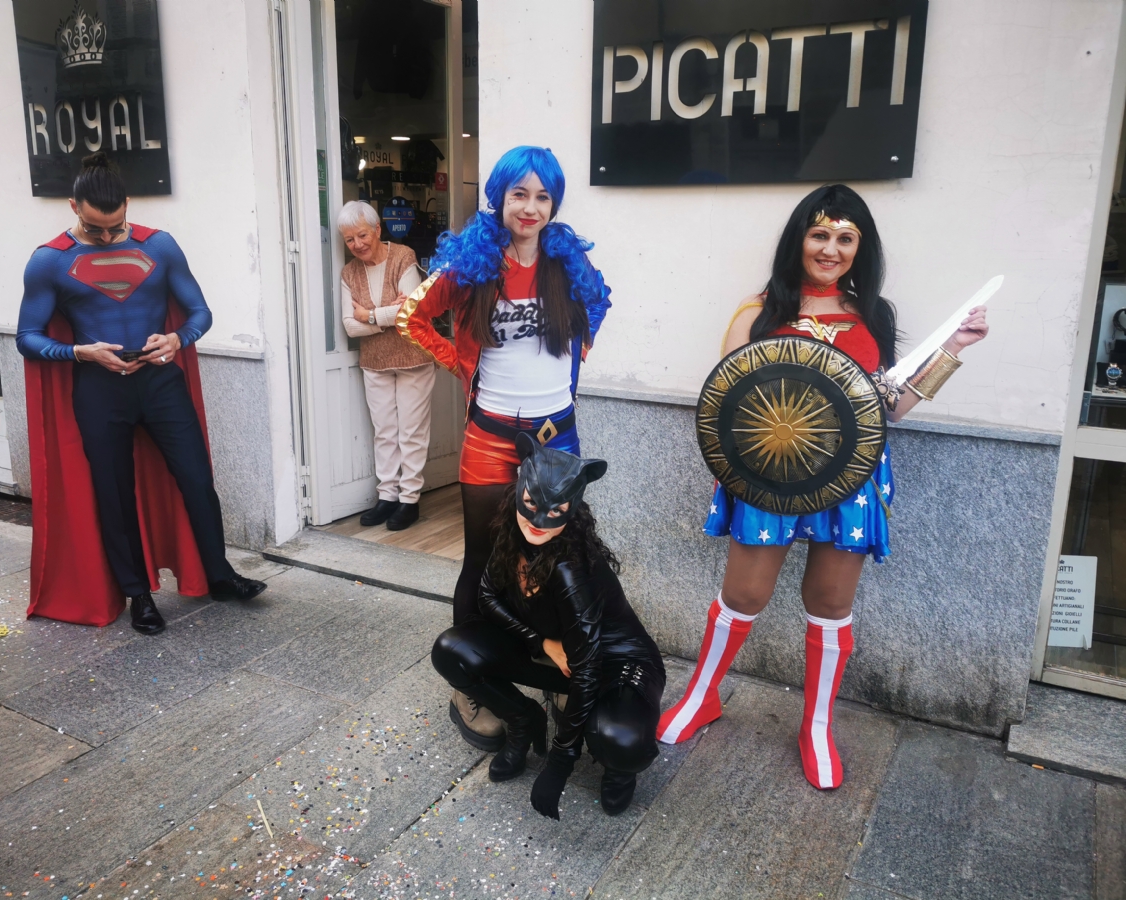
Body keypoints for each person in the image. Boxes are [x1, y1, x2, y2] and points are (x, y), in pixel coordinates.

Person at [656, 184, 989, 790]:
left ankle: (815, 726)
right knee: (745, 593)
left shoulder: (875, 316)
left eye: (844, 237)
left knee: (831, 605)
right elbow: (728, 404)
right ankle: (701, 697)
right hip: (768, 476)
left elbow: (891, 409)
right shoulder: (758, 310)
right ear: (799, 239)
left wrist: (954, 350)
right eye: (819, 234)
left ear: (860, 248)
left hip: (850, 480)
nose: (830, 248)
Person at [398, 146, 612, 751]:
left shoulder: (567, 262)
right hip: (491, 438)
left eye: (544, 196)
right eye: (520, 193)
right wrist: (462, 367)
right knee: (483, 560)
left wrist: (565, 375)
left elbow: (596, 313)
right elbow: (413, 319)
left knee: (563, 559)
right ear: (499, 196)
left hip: (557, 437)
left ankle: (559, 668)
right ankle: (472, 679)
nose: (532, 207)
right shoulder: (474, 261)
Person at [16, 152, 266, 636]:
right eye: (95, 229)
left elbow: (199, 312)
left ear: (127, 206)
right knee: (114, 494)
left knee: (196, 479)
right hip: (99, 389)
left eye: (116, 226)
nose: (107, 237)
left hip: (160, 383)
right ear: (73, 207)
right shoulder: (48, 260)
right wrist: (80, 353)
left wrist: (178, 339)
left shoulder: (161, 246)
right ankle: (139, 596)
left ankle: (220, 575)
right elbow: (27, 337)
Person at [432, 434, 665, 819]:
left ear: (572, 510)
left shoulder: (571, 568)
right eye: (529, 505)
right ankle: (524, 720)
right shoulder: (511, 532)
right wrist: (541, 643)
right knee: (452, 650)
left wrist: (561, 761)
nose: (538, 522)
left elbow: (588, 668)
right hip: (562, 656)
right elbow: (487, 596)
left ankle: (619, 770)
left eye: (555, 510)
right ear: (518, 493)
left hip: (612, 664)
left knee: (617, 737)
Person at [339, 201, 433, 530]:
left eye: (362, 235)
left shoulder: (403, 256)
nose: (358, 245)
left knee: (411, 431)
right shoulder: (349, 272)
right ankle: (387, 496)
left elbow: (409, 312)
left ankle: (409, 500)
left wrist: (369, 314)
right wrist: (383, 317)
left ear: (378, 230)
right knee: (385, 432)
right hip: (375, 361)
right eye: (349, 240)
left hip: (413, 357)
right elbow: (350, 326)